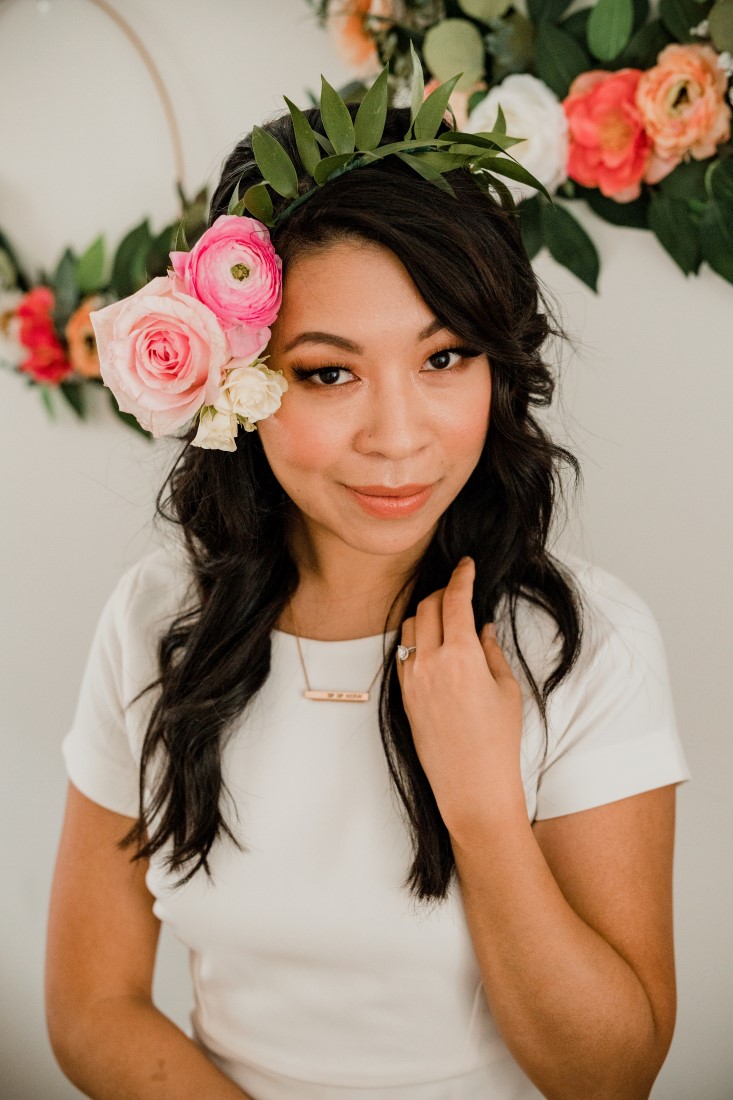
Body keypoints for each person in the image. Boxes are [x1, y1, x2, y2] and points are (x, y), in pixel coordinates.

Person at [45, 77, 691, 1100]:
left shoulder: (585, 642)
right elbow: (91, 1004)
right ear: (242, 381)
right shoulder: (156, 617)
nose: (398, 438)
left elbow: (608, 1072)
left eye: (443, 356)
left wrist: (481, 804)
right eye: (328, 372)